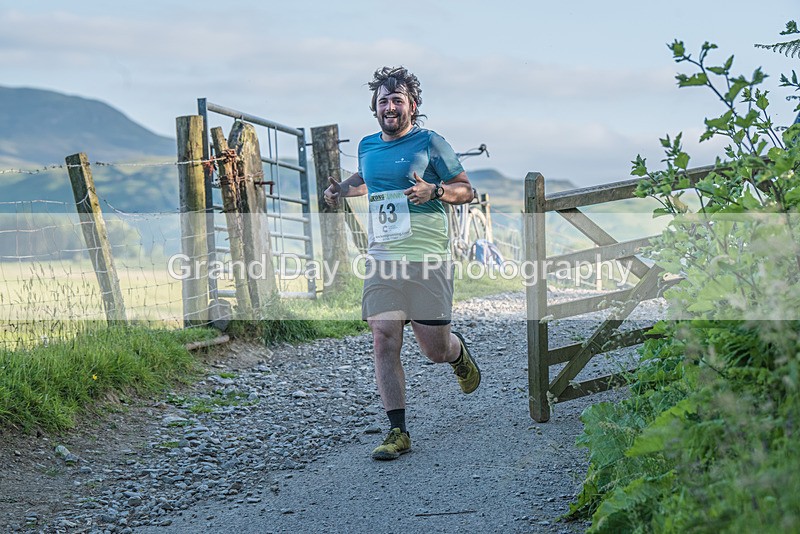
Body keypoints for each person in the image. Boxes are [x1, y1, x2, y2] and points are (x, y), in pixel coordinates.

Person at [323, 66, 481, 461]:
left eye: (397, 100)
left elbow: (467, 190)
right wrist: (341, 190)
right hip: (383, 259)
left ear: (412, 105)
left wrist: (436, 190)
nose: (390, 107)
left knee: (434, 350)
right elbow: (367, 179)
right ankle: (398, 431)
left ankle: (457, 354)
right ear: (374, 108)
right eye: (383, 101)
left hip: (428, 259)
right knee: (383, 336)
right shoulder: (367, 146)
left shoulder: (431, 143)